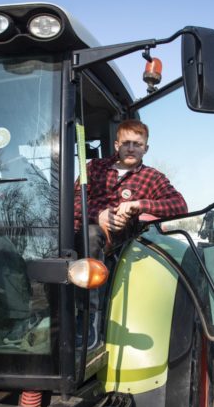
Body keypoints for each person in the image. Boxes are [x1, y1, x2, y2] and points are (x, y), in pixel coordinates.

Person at [73, 119, 187, 348]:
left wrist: (141, 205)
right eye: (126, 143)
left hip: (119, 241)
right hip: (83, 231)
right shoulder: (93, 167)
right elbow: (72, 202)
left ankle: (89, 317)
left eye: (137, 143)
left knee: (91, 235)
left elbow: (179, 205)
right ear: (116, 145)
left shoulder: (153, 177)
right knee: (83, 233)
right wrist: (99, 214)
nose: (132, 148)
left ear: (146, 148)